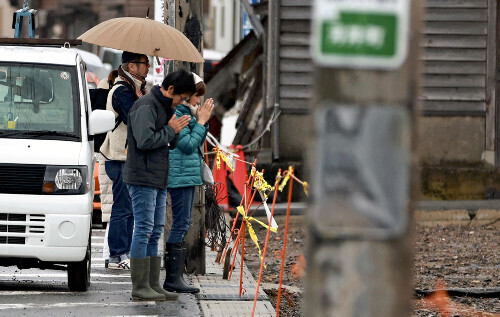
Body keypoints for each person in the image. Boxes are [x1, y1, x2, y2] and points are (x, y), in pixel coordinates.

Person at [123, 69, 194, 301]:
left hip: (158, 176)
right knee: (143, 229)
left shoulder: (165, 107)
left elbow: (167, 142)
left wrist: (174, 131)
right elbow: (145, 141)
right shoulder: (146, 105)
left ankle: (153, 284)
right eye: (181, 98)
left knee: (155, 231)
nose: (181, 102)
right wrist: (170, 130)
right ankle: (140, 286)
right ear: (171, 89)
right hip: (142, 176)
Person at [163, 73, 213, 294]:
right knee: (181, 223)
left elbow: (197, 142)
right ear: (186, 96)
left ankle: (176, 277)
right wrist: (201, 122)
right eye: (196, 96)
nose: (198, 101)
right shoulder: (179, 114)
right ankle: (173, 278)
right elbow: (187, 146)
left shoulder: (188, 114)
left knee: (183, 222)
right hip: (180, 175)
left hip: (186, 174)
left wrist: (200, 122)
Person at [100, 51, 150, 270]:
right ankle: (117, 255)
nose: (147, 67)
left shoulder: (135, 89)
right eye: (144, 64)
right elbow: (134, 117)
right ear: (132, 67)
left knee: (128, 207)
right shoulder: (122, 90)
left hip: (126, 155)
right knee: (122, 207)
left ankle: (123, 253)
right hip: (120, 155)